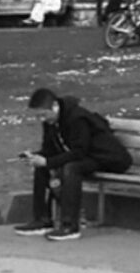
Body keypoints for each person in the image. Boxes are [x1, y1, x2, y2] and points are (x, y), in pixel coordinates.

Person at [24, 85, 134, 237]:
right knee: (42, 167)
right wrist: (36, 157)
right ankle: (42, 219)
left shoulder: (77, 118)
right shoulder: (50, 123)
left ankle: (70, 225)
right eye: (38, 117)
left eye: (43, 115)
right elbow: (50, 150)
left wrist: (48, 162)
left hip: (108, 158)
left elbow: (79, 151)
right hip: (87, 157)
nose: (42, 119)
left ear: (55, 107)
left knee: (71, 168)